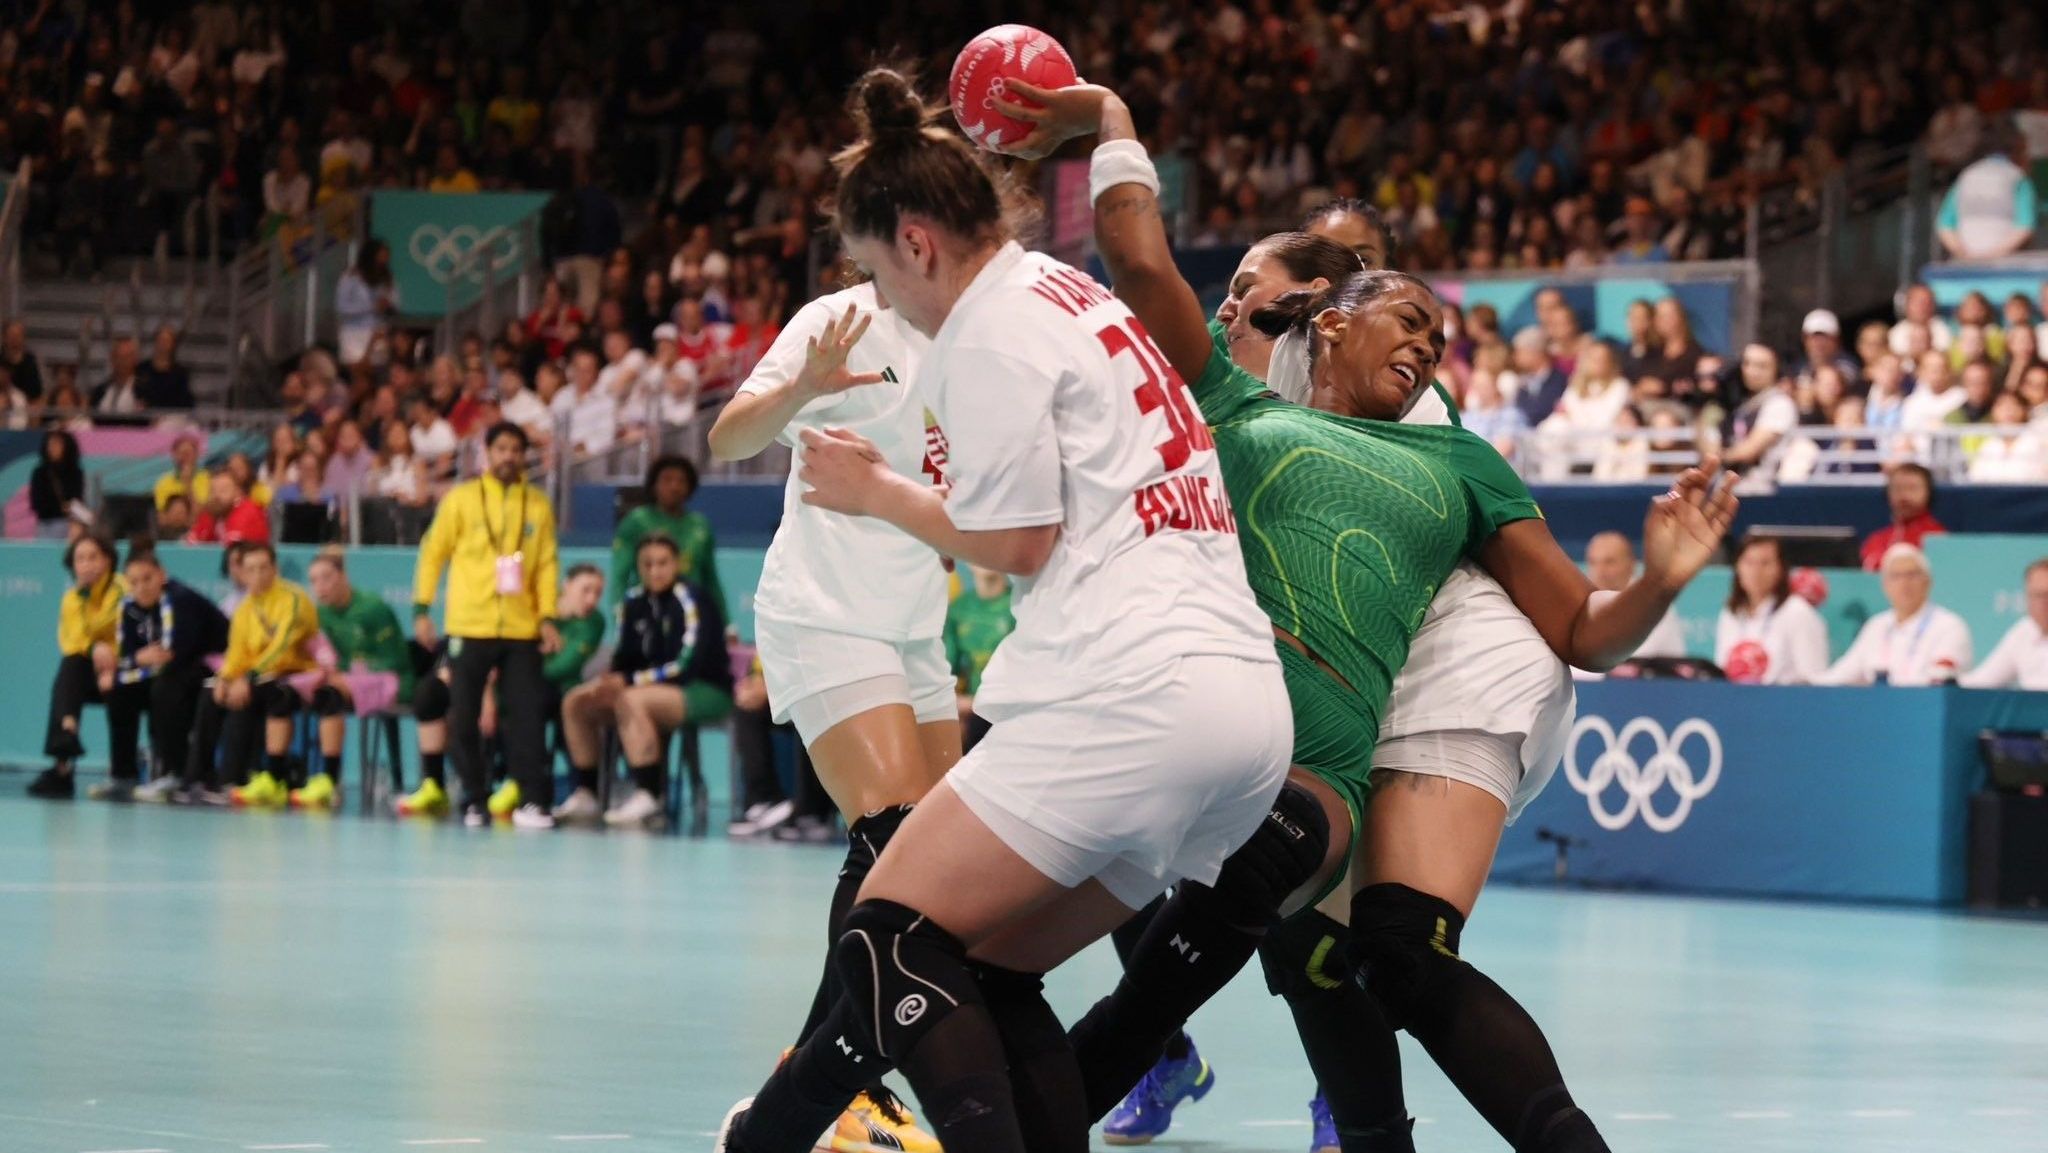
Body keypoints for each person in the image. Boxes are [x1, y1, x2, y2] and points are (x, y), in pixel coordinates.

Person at [979, 79, 1735, 1153]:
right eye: (1409, 322)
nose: (1428, 346)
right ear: (1326, 322)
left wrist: (1659, 581)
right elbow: (1140, 261)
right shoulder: (1245, 405)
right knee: (1294, 954)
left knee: (1359, 951)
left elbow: (1578, 630)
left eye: (1437, 335)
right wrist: (1110, 129)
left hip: (1409, 707)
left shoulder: (1452, 453)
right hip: (1244, 732)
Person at [715, 68, 1297, 1153]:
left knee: (887, 933)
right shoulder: (1077, 296)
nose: (882, 300)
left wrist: (874, 491)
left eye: (879, 273)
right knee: (981, 963)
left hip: (1126, 694)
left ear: (918, 242)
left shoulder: (984, 331)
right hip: (1243, 710)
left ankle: (775, 1135)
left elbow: (1016, 544)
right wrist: (1115, 124)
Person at [706, 230, 957, 1150]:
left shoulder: (980, 345)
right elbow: (730, 433)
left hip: (917, 619)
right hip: (827, 610)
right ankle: (826, 1082)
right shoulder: (837, 322)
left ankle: (825, 1079)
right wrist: (803, 390)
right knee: (894, 834)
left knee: (938, 870)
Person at [412, 421, 563, 828]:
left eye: (516, 449)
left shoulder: (537, 504)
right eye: (501, 448)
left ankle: (532, 800)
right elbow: (432, 553)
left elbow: (547, 565)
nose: (509, 456)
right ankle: (474, 799)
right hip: (469, 625)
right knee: (463, 715)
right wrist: (422, 608)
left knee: (527, 715)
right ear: (486, 454)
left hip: (521, 628)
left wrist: (547, 616)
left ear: (524, 456)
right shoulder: (460, 500)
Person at [556, 536, 734, 830]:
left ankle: (649, 795)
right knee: (577, 700)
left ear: (676, 564)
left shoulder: (691, 598)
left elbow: (685, 665)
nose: (655, 571)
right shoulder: (633, 601)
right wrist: (612, 679)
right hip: (645, 687)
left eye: (662, 563)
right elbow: (625, 657)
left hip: (702, 689)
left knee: (632, 699)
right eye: (647, 564)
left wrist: (627, 681)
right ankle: (586, 792)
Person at [189, 542, 320, 808]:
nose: (258, 575)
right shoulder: (245, 608)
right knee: (210, 691)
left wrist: (247, 678)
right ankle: (199, 778)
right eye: (251, 569)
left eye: (263, 568)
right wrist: (225, 678)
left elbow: (282, 648)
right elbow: (237, 652)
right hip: (259, 675)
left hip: (295, 675)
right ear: (242, 573)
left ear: (275, 569)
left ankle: (233, 780)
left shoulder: (293, 599)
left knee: (247, 695)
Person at [110, 544, 230, 802]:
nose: (141, 587)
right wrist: (136, 659)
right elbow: (125, 656)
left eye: (147, 578)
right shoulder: (127, 606)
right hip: (175, 667)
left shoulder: (178, 599)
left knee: (165, 687)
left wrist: (138, 661)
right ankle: (123, 774)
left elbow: (172, 654)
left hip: (214, 664)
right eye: (134, 581)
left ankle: (182, 774)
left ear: (162, 575)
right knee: (119, 689)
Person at [299, 548, 414, 811]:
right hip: (346, 683)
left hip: (391, 680)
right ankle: (328, 780)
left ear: (344, 577)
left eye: (326, 578)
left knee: (334, 690)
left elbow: (395, 660)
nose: (320, 587)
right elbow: (326, 657)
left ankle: (334, 779)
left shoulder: (373, 608)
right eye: (314, 580)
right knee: (325, 693)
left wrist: (350, 675)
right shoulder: (321, 615)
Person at [26, 534, 125, 799]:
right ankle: (65, 750)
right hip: (91, 671)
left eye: (93, 557)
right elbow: (71, 641)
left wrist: (109, 658)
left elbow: (117, 628)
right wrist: (95, 648)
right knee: (69, 669)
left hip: (125, 670)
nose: (86, 565)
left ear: (107, 559)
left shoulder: (122, 589)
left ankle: (68, 761)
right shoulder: (72, 598)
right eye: (80, 559)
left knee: (71, 675)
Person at [1817, 545, 1974, 686]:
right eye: (1895, 576)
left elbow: (1940, 681)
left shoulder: (1949, 626)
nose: (1904, 583)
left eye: (1912, 575)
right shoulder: (1876, 626)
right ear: (1884, 586)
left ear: (1928, 582)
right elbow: (1841, 675)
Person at [610, 455, 725, 618]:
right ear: (653, 485)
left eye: (681, 481)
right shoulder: (635, 522)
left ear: (690, 487)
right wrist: (620, 615)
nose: (674, 486)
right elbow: (619, 577)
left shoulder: (700, 525)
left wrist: (725, 622)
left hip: (692, 612)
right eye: (667, 479)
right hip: (649, 612)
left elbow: (711, 579)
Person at [1715, 535, 1832, 684]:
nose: (1756, 571)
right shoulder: (1731, 612)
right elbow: (1721, 668)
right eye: (1749, 562)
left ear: (1781, 569)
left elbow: (1814, 678)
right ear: (1737, 567)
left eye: (1765, 563)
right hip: (1735, 700)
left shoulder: (1798, 612)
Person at [1583, 531, 1688, 662]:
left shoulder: (1653, 603)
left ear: (1631, 564)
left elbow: (1633, 661)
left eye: (1609, 562)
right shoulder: (1585, 605)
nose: (1600, 571)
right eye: (1593, 562)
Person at [944, 564, 1015, 753]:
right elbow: (946, 675)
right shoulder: (958, 610)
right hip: (974, 713)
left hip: (1013, 709)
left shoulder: (1021, 606)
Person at [1960, 559, 2048, 690]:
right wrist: (1946, 681)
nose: (2043, 603)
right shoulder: (2025, 630)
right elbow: (1981, 682)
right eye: (2036, 595)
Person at [1860, 463, 1947, 571]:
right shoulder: (1875, 540)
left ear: (1928, 493)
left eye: (1912, 488)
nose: (1904, 496)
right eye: (1897, 488)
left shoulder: (1938, 540)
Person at [336, 239, 399, 366]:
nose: (385, 259)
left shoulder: (387, 278)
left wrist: (388, 305)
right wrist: (371, 307)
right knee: (357, 369)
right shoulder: (351, 276)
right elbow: (342, 307)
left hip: (378, 332)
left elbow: (395, 301)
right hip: (354, 333)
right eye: (382, 255)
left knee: (377, 370)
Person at [186, 469, 271, 545]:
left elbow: (232, 551)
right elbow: (190, 546)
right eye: (212, 491)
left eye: (223, 490)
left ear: (238, 493)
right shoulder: (213, 511)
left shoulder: (248, 510)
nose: (216, 496)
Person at [29, 430, 86, 539]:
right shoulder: (40, 472)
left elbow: (77, 498)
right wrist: (59, 508)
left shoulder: (75, 472)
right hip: (45, 523)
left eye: (57, 444)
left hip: (67, 523)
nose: (53, 448)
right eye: (50, 444)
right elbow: (35, 502)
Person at [155, 433, 211, 512]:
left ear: (197, 455)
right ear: (174, 455)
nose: (185, 457)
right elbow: (163, 518)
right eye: (181, 453)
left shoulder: (208, 478)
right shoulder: (163, 482)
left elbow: (202, 514)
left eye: (188, 453)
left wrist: (188, 485)